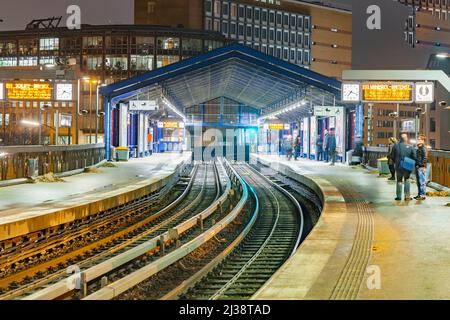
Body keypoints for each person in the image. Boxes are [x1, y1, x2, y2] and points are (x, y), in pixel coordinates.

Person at [391, 132, 416, 201]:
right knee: (407, 180)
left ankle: (398, 196)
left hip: (398, 166)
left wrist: (395, 162)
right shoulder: (411, 146)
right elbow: (414, 156)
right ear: (406, 139)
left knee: (399, 180)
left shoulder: (395, 146)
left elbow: (392, 156)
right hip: (407, 165)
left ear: (400, 139)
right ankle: (407, 196)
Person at [414, 135, 428, 200]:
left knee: (422, 181)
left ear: (423, 141)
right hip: (418, 166)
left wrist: (420, 165)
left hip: (421, 167)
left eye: (420, 139)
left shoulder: (423, 148)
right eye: (418, 139)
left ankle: (422, 195)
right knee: (419, 182)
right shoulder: (419, 148)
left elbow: (425, 158)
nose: (418, 140)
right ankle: (419, 194)